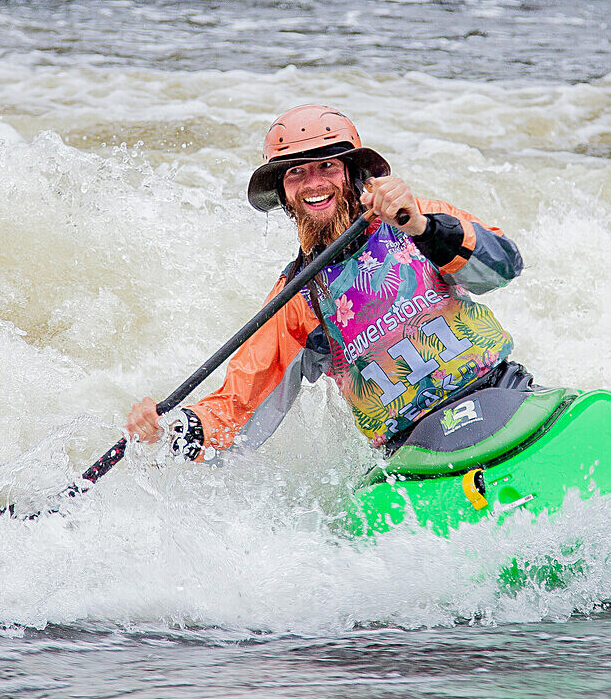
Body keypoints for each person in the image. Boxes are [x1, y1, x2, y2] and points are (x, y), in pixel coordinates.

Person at [126, 104, 527, 461]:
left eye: (328, 166)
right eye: (296, 173)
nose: (314, 183)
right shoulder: (296, 299)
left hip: (505, 396)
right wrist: (172, 428)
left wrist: (421, 227)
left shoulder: (421, 220)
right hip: (415, 455)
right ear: (284, 194)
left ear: (352, 175)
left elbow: (504, 267)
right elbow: (239, 408)